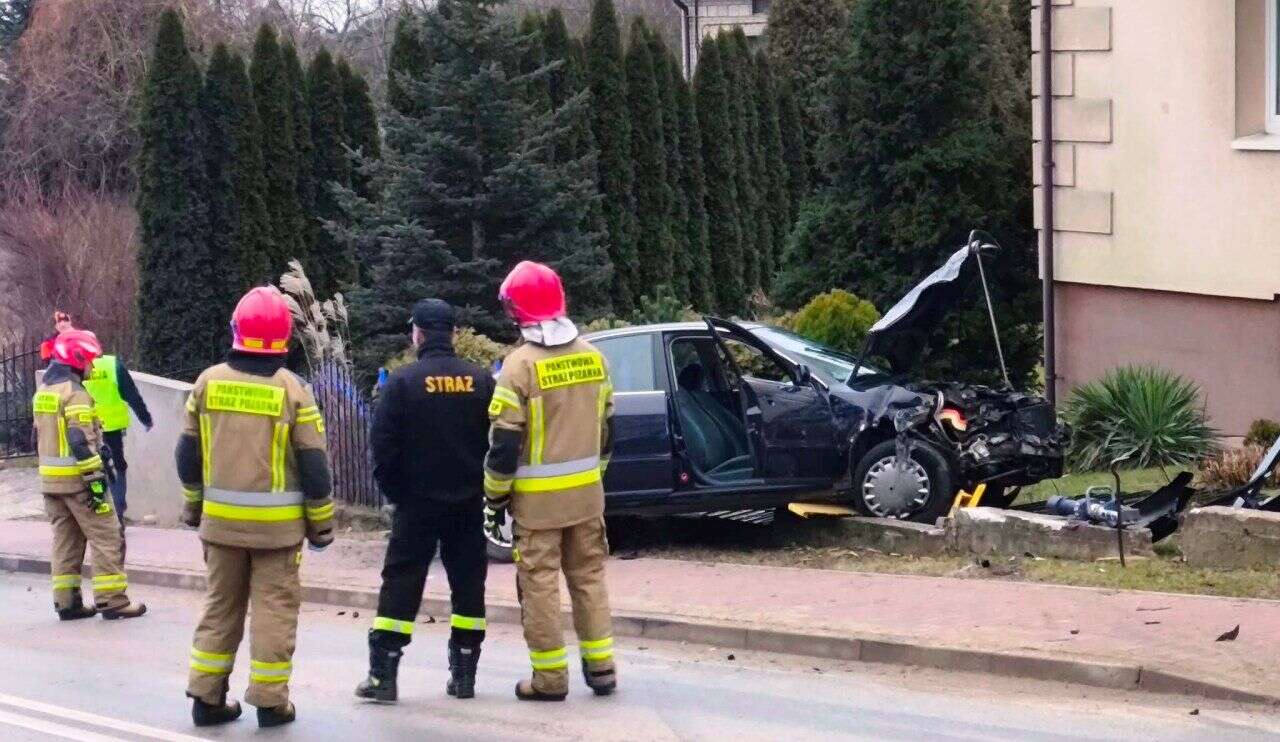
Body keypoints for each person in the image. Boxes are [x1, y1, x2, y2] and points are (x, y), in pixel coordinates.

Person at [175, 286, 335, 729]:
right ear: (283, 337)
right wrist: (321, 527)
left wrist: (194, 508)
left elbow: (187, 455)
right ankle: (270, 702)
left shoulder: (207, 382)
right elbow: (314, 467)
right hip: (278, 534)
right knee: (274, 612)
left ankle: (206, 699)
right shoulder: (293, 391)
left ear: (237, 330)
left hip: (221, 526)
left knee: (219, 607)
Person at [483, 261, 617, 701]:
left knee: (539, 585)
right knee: (589, 578)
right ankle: (602, 670)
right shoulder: (594, 357)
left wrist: (495, 496)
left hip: (539, 508)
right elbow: (609, 431)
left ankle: (550, 679)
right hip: (587, 498)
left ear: (517, 311)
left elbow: (504, 445)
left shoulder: (519, 367)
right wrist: (594, 480)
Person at [356, 299, 494, 703]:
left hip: (416, 504)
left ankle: (383, 676)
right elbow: (498, 440)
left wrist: (397, 493)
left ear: (417, 333)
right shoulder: (481, 380)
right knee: (469, 585)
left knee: (401, 581)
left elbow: (382, 447)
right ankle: (464, 676)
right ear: (452, 332)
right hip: (469, 502)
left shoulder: (401, 382)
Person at [34, 329, 146, 621]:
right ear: (77, 358)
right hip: (79, 482)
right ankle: (113, 600)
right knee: (107, 534)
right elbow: (79, 442)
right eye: (90, 360)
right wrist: (96, 481)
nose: (93, 367)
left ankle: (67, 602)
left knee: (66, 540)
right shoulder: (76, 395)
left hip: (51, 483)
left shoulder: (44, 392)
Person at [82, 351, 153, 521]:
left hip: (87, 427)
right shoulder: (113, 365)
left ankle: (100, 510)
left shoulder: (77, 368)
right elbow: (132, 395)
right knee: (117, 467)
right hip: (112, 428)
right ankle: (118, 510)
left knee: (93, 469)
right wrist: (145, 418)